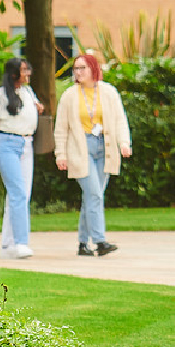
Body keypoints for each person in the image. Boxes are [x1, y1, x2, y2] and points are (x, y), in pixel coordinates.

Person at [54, 52, 130, 257]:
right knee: (94, 194)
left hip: (104, 147)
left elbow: (120, 119)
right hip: (81, 148)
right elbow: (61, 127)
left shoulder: (109, 92)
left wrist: (124, 143)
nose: (78, 72)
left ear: (93, 69)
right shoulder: (69, 95)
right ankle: (99, 241)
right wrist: (60, 154)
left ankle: (82, 243)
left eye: (82, 68)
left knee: (92, 197)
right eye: (76, 68)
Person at [0, 56, 43, 259]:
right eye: (24, 70)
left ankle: (8, 243)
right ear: (13, 74)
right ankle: (20, 242)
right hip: (6, 144)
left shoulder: (27, 92)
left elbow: (35, 106)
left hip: (26, 144)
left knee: (21, 195)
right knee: (18, 192)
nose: (28, 74)